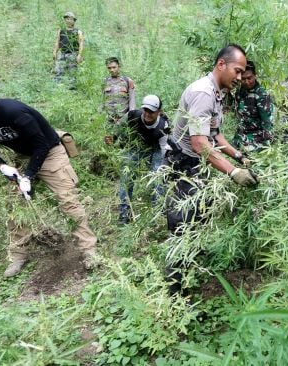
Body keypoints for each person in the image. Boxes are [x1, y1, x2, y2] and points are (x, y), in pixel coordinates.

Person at [0, 81, 98, 277]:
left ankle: (89, 251)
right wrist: (2, 166)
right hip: (23, 156)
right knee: (15, 207)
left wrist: (28, 176)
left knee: (68, 202)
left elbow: (41, 145)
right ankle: (18, 255)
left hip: (50, 153)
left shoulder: (14, 112)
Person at [165, 44, 258, 294]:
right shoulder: (204, 93)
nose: (239, 78)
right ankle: (175, 293)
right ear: (221, 65)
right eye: (237, 71)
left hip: (197, 166)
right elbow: (199, 144)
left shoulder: (218, 92)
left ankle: (191, 270)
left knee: (199, 218)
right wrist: (233, 172)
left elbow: (215, 135)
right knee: (182, 225)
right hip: (184, 165)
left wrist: (240, 157)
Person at [109, 95, 170, 224]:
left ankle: (157, 213)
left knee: (158, 177)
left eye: (152, 111)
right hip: (135, 147)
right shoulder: (132, 116)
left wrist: (164, 166)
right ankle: (124, 212)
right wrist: (113, 139)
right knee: (127, 177)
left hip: (155, 149)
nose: (148, 114)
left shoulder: (163, 125)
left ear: (159, 111)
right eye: (146, 110)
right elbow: (118, 127)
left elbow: (164, 148)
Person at [232, 60, 274, 151]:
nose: (247, 82)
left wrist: (267, 144)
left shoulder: (262, 95)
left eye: (249, 78)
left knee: (246, 151)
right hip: (240, 134)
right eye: (243, 79)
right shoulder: (240, 91)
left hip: (256, 136)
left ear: (255, 75)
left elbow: (267, 123)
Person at [52, 12, 84, 83]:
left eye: (70, 19)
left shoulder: (78, 32)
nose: (69, 21)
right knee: (58, 70)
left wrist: (79, 55)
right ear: (65, 20)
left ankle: (72, 88)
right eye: (67, 19)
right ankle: (57, 86)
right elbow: (57, 42)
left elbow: (81, 43)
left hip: (73, 53)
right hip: (62, 53)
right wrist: (55, 52)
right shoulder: (61, 30)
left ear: (74, 21)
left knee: (72, 71)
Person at [103, 57, 136, 125]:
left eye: (114, 67)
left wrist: (130, 117)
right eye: (109, 68)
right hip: (108, 120)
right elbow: (102, 101)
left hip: (123, 120)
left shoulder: (128, 81)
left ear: (119, 67)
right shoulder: (105, 81)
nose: (111, 70)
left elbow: (132, 102)